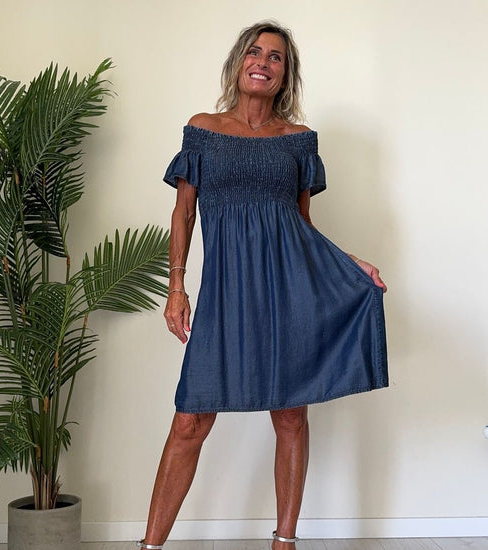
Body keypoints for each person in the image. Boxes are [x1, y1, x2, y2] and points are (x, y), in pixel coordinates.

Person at [138, 20, 388, 550]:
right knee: (190, 420)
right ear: (238, 63)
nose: (263, 62)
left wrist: (350, 265)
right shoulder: (203, 129)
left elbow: (302, 226)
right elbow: (183, 214)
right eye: (255, 52)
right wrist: (176, 287)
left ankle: (284, 541)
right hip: (224, 295)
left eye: (276, 57)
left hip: (287, 293)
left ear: (285, 73)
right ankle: (150, 545)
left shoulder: (297, 140)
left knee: (291, 414)